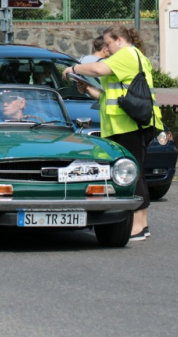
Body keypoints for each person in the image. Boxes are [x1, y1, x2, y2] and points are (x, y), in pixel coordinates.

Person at [62, 24, 164, 242]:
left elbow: (98, 70)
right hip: (123, 124)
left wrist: (74, 69)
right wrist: (88, 89)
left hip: (131, 125)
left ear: (120, 40)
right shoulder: (127, 58)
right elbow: (110, 96)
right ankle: (140, 224)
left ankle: (138, 224)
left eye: (108, 43)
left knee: (132, 174)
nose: (106, 48)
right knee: (133, 173)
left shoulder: (127, 54)